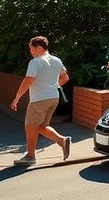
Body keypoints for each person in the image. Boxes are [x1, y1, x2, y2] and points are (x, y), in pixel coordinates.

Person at [10, 35, 71, 166]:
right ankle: (62, 141)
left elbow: (28, 81)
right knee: (41, 126)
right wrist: (52, 86)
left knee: (30, 126)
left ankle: (30, 156)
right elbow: (65, 78)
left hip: (39, 100)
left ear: (38, 47)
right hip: (53, 98)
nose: (30, 51)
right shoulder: (57, 60)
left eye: (31, 48)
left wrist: (17, 98)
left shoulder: (35, 62)